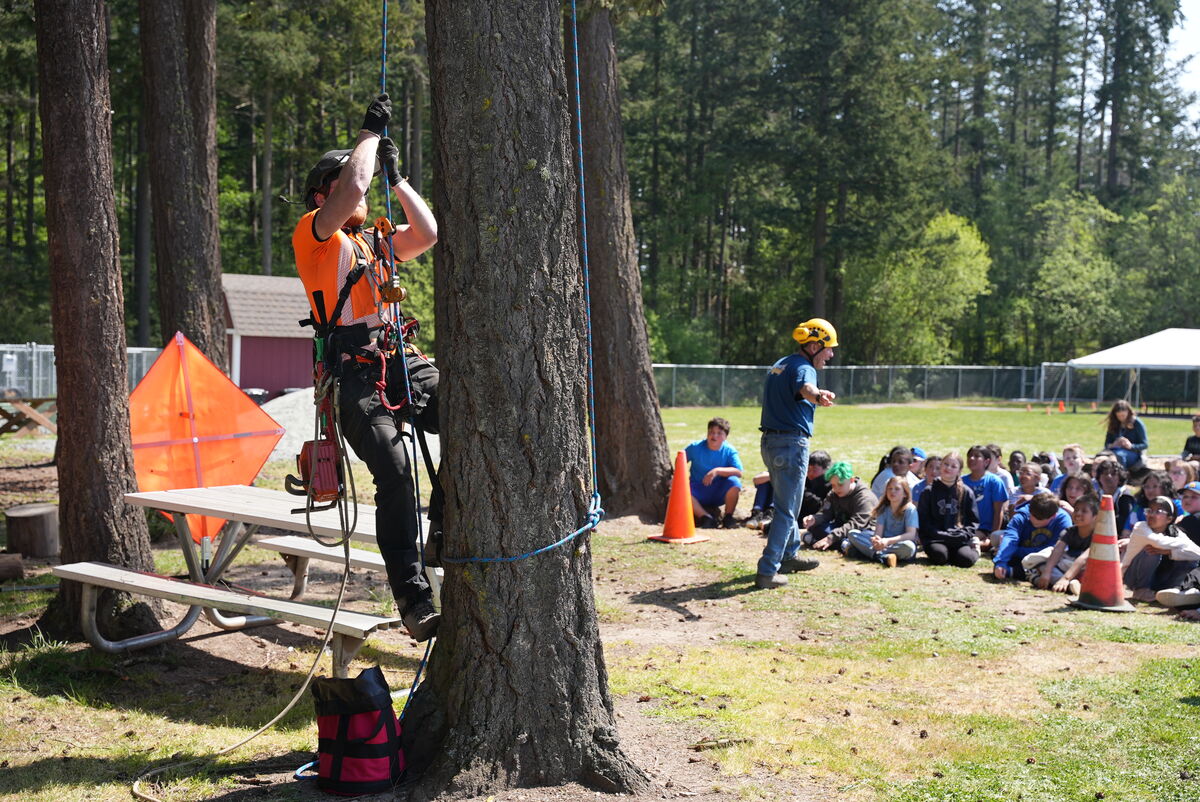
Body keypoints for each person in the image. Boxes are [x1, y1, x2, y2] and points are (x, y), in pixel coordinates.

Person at [293, 93, 441, 642]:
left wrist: (398, 179)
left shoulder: (373, 242)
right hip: (353, 375)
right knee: (395, 470)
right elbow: (355, 184)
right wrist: (370, 136)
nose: (365, 185)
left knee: (470, 413)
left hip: (398, 356)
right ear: (321, 194)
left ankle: (444, 533)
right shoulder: (315, 236)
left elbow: (426, 233)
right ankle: (412, 596)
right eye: (350, 178)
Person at [754, 319, 838, 589]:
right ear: (814, 345)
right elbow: (806, 388)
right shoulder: (805, 368)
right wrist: (818, 395)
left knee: (784, 505)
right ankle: (767, 571)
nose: (831, 354)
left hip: (771, 443)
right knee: (786, 511)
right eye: (828, 349)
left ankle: (789, 556)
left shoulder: (783, 363)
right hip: (791, 445)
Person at [1121, 496, 1200, 602]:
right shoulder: (1141, 527)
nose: (1151, 515)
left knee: (1189, 560)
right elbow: (1158, 542)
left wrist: (1170, 551)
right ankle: (1140, 589)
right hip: (1131, 576)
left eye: (1158, 511)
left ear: (1169, 519)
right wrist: (1183, 545)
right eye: (1149, 511)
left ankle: (1174, 591)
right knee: (1151, 551)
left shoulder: (1175, 533)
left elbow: (1197, 553)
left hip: (1157, 578)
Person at [1022, 492, 1100, 594]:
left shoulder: (1097, 535)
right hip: (1065, 564)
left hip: (1082, 567)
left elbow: (1083, 558)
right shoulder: (1070, 531)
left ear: (1095, 516)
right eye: (1076, 510)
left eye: (1084, 511)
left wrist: (1066, 578)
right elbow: (1057, 550)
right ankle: (1063, 584)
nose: (1078, 513)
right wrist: (1047, 572)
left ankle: (1068, 584)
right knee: (1036, 559)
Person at [916, 451, 980, 567]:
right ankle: (947, 553)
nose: (948, 468)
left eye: (953, 466)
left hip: (958, 538)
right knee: (940, 556)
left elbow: (972, 521)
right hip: (935, 538)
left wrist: (963, 535)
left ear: (959, 471)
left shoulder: (966, 492)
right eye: (946, 464)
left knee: (966, 560)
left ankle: (975, 550)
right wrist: (938, 534)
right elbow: (923, 521)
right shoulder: (928, 491)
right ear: (941, 466)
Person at [992, 493, 1072, 581]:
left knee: (1050, 558)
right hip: (1021, 554)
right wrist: (1001, 562)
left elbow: (1055, 549)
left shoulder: (1063, 520)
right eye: (1033, 515)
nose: (1034, 520)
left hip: (1045, 557)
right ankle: (1013, 571)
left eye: (1040, 519)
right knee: (997, 540)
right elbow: (1011, 538)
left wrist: (1016, 551)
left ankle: (1014, 572)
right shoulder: (1021, 516)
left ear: (1053, 516)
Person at [844, 476, 919, 567]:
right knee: (853, 534)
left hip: (898, 543)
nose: (892, 491)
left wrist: (887, 541)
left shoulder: (910, 509)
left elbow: (910, 535)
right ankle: (885, 557)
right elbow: (878, 533)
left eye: (897, 489)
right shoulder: (884, 508)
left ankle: (870, 554)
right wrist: (876, 540)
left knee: (909, 547)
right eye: (890, 488)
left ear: (905, 494)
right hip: (882, 543)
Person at [803, 462, 877, 553]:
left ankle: (848, 545)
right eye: (833, 485)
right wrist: (814, 519)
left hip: (862, 532)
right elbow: (826, 513)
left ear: (851, 480)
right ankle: (844, 545)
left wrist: (832, 537)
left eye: (840, 485)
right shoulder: (833, 493)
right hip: (840, 528)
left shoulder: (865, 498)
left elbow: (856, 524)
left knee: (855, 535)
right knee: (816, 527)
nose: (836, 489)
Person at [685, 417, 743, 529]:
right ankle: (706, 518)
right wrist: (675, 477)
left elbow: (738, 472)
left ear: (725, 437)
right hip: (698, 489)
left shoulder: (729, 450)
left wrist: (717, 471)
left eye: (719, 433)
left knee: (734, 482)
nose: (714, 436)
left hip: (719, 492)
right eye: (711, 432)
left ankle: (728, 517)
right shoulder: (695, 447)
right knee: (682, 490)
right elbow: (681, 461)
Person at [962, 444, 1007, 551]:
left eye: (977, 456)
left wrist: (993, 536)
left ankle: (984, 544)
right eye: (970, 456)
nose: (972, 459)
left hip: (985, 529)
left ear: (986, 461)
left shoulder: (995, 482)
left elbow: (998, 511)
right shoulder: (961, 481)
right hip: (965, 527)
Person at [1103, 399, 1148, 471]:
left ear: (1128, 412)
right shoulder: (1114, 424)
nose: (1121, 418)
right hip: (1114, 450)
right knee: (1101, 457)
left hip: (1133, 453)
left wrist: (1130, 446)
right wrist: (1113, 444)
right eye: (1119, 416)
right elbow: (1106, 443)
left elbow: (1145, 444)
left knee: (1118, 456)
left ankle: (1120, 477)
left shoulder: (1136, 423)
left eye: (1123, 415)